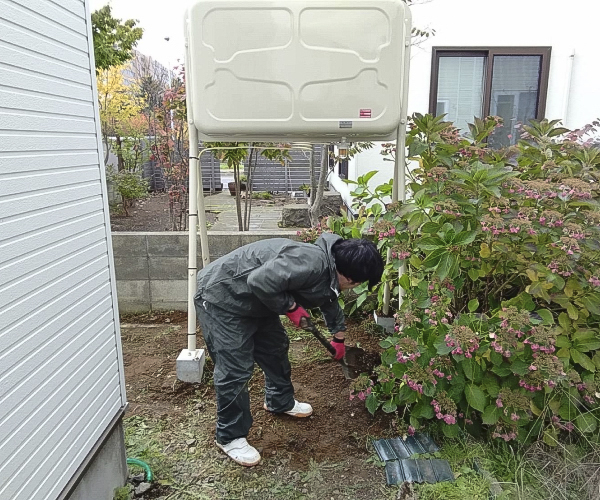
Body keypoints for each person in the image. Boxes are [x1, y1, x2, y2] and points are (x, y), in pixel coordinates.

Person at [194, 233, 383, 466]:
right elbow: (259, 281)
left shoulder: (331, 268)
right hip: (222, 298)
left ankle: (279, 400)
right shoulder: (310, 262)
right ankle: (230, 436)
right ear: (351, 278)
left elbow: (329, 298)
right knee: (236, 368)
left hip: (257, 303)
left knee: (276, 348)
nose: (355, 288)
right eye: (359, 283)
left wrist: (339, 337)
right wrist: (291, 307)